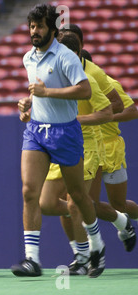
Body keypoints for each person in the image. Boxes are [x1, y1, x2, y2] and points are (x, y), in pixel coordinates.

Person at [12, 4, 105, 278]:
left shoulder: (66, 56)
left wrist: (46, 92)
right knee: (29, 192)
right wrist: (28, 103)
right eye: (31, 26)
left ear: (52, 29)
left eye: (39, 26)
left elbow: (84, 90)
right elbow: (39, 91)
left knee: (78, 197)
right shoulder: (28, 58)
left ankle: (97, 245)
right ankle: (32, 260)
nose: (34, 31)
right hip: (36, 132)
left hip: (65, 133)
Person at [37, 32, 134, 275]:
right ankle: (113, 229)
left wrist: (82, 120)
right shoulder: (53, 73)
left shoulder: (96, 78)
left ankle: (88, 252)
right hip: (67, 143)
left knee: (112, 202)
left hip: (101, 145)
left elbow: (123, 108)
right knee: (61, 203)